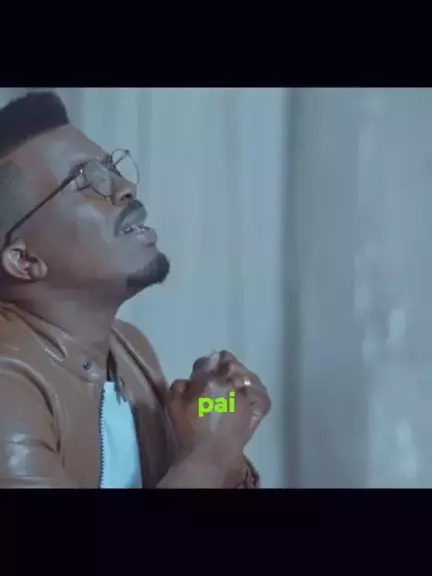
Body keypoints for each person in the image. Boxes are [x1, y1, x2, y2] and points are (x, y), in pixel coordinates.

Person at [0, 91, 271, 488]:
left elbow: (191, 463)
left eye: (111, 168)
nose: (125, 187)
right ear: (24, 260)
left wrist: (222, 417)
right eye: (86, 180)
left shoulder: (129, 350)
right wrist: (210, 457)